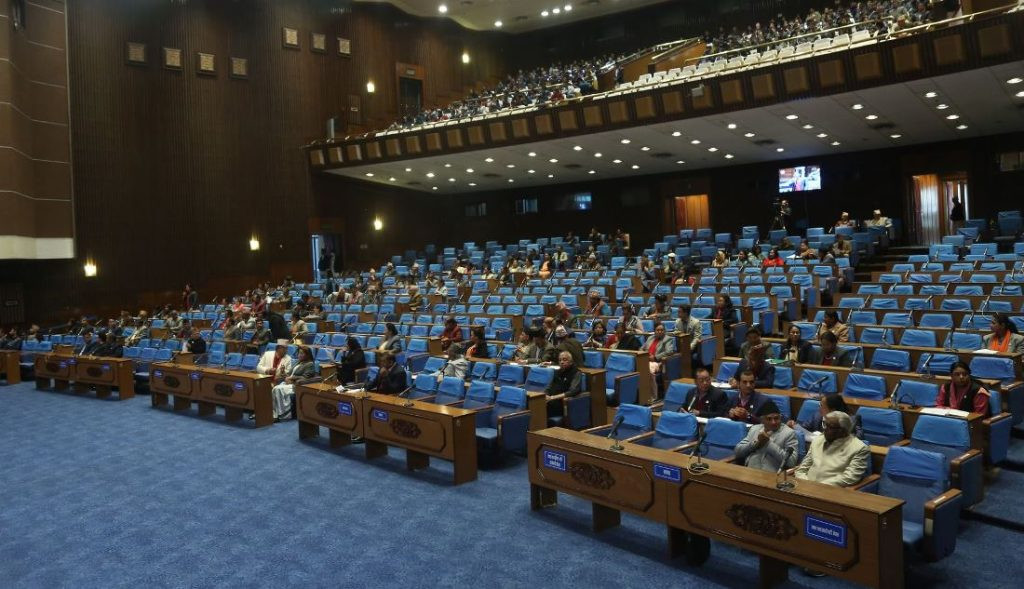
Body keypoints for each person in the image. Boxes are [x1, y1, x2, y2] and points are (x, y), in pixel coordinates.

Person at [794, 411, 870, 487]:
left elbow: (850, 477)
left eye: (830, 427)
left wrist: (818, 486)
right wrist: (804, 482)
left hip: (831, 490)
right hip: (805, 485)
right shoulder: (818, 440)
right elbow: (803, 468)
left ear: (843, 430)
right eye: (825, 425)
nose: (825, 429)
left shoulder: (859, 448)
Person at [733, 400, 799, 472]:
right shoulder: (755, 429)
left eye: (776, 418)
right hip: (750, 472)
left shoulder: (789, 433)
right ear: (762, 420)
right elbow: (738, 452)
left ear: (780, 418)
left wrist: (768, 444)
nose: (773, 422)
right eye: (769, 419)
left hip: (772, 475)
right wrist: (756, 443)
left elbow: (791, 462)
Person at [270, 347, 316, 421]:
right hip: (288, 383)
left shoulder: (310, 364)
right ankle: (275, 414)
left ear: (307, 355)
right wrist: (283, 372)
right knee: (274, 389)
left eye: (302, 353)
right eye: (299, 353)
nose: (299, 355)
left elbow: (305, 378)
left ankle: (283, 415)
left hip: (297, 386)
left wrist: (292, 379)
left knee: (278, 389)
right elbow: (288, 375)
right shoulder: (298, 362)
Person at [789, 393, 863, 438]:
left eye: (822, 406)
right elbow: (803, 428)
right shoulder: (817, 416)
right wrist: (795, 426)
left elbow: (858, 438)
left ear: (832, 410)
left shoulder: (851, 420)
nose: (819, 408)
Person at [643, 321, 676, 399]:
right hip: (645, 359)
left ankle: (653, 396)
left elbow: (669, 351)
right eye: (658, 330)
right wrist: (644, 354)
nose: (660, 332)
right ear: (654, 331)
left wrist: (655, 357)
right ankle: (642, 393)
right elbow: (642, 348)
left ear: (664, 331)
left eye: (662, 330)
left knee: (647, 369)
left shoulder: (668, 339)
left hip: (657, 362)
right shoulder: (650, 338)